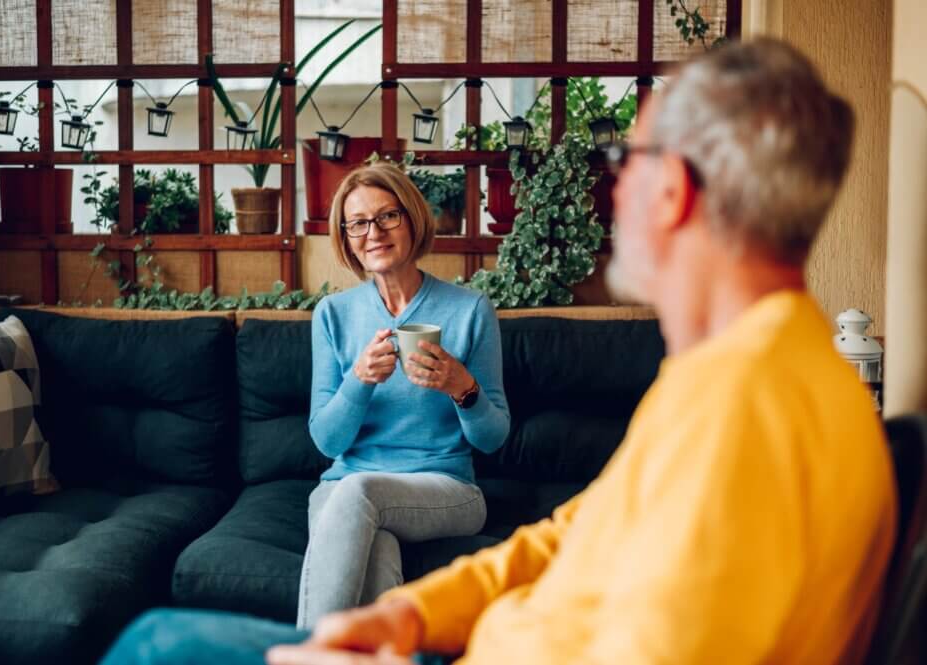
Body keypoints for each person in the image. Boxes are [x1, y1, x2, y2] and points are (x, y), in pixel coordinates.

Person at [100, 37, 897, 665]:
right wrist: (409, 614)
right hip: (461, 609)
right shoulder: (740, 372)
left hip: (489, 610)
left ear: (674, 191)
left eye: (624, 161)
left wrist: (464, 388)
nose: (610, 190)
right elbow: (577, 532)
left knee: (157, 646)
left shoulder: (749, 406)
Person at [298, 162, 510, 629]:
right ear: (345, 236)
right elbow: (327, 442)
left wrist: (462, 387)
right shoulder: (332, 314)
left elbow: (493, 438)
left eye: (387, 216)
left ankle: (305, 655)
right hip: (346, 486)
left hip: (446, 488)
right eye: (357, 223)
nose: (373, 232)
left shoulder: (470, 309)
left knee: (357, 494)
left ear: (412, 219)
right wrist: (360, 380)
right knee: (376, 553)